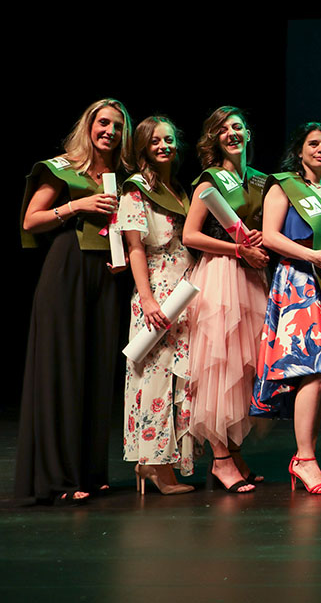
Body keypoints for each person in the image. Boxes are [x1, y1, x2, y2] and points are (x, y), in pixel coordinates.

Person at [16, 98, 132, 505]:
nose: (110, 132)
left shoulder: (123, 176)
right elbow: (31, 220)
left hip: (108, 275)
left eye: (117, 126)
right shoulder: (64, 167)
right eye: (103, 123)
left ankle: (89, 471)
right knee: (63, 369)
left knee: (97, 369)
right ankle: (57, 477)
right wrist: (76, 205)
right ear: (89, 125)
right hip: (66, 270)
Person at [251, 122, 321, 495]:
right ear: (300, 150)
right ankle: (305, 459)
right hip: (298, 281)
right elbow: (270, 235)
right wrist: (313, 255)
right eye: (313, 144)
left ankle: (306, 456)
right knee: (311, 368)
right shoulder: (283, 185)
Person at [182, 106, 269, 494]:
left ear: (249, 134)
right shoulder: (209, 181)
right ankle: (219, 458)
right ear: (214, 140)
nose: (231, 133)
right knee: (221, 366)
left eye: (237, 127)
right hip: (220, 273)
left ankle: (234, 452)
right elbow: (191, 236)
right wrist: (237, 252)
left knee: (247, 367)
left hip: (253, 278)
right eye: (223, 130)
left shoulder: (262, 181)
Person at [118, 116, 196, 495]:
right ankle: (153, 465)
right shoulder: (136, 190)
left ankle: (164, 465)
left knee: (178, 376)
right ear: (143, 147)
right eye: (155, 141)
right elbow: (135, 246)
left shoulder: (176, 189)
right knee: (155, 376)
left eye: (169, 139)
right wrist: (147, 298)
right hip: (159, 290)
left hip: (184, 288)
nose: (164, 146)